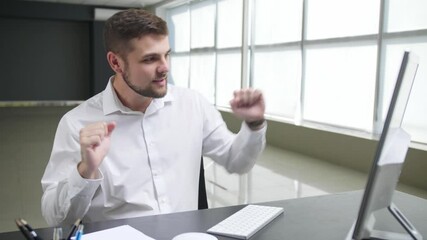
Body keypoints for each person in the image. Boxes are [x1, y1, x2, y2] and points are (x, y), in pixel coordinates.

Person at [41, 8, 266, 227]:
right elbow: (56, 219)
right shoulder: (77, 124)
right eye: (150, 59)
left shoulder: (192, 104)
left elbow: (236, 161)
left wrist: (254, 124)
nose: (165, 68)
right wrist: (85, 171)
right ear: (116, 63)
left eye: (166, 54)